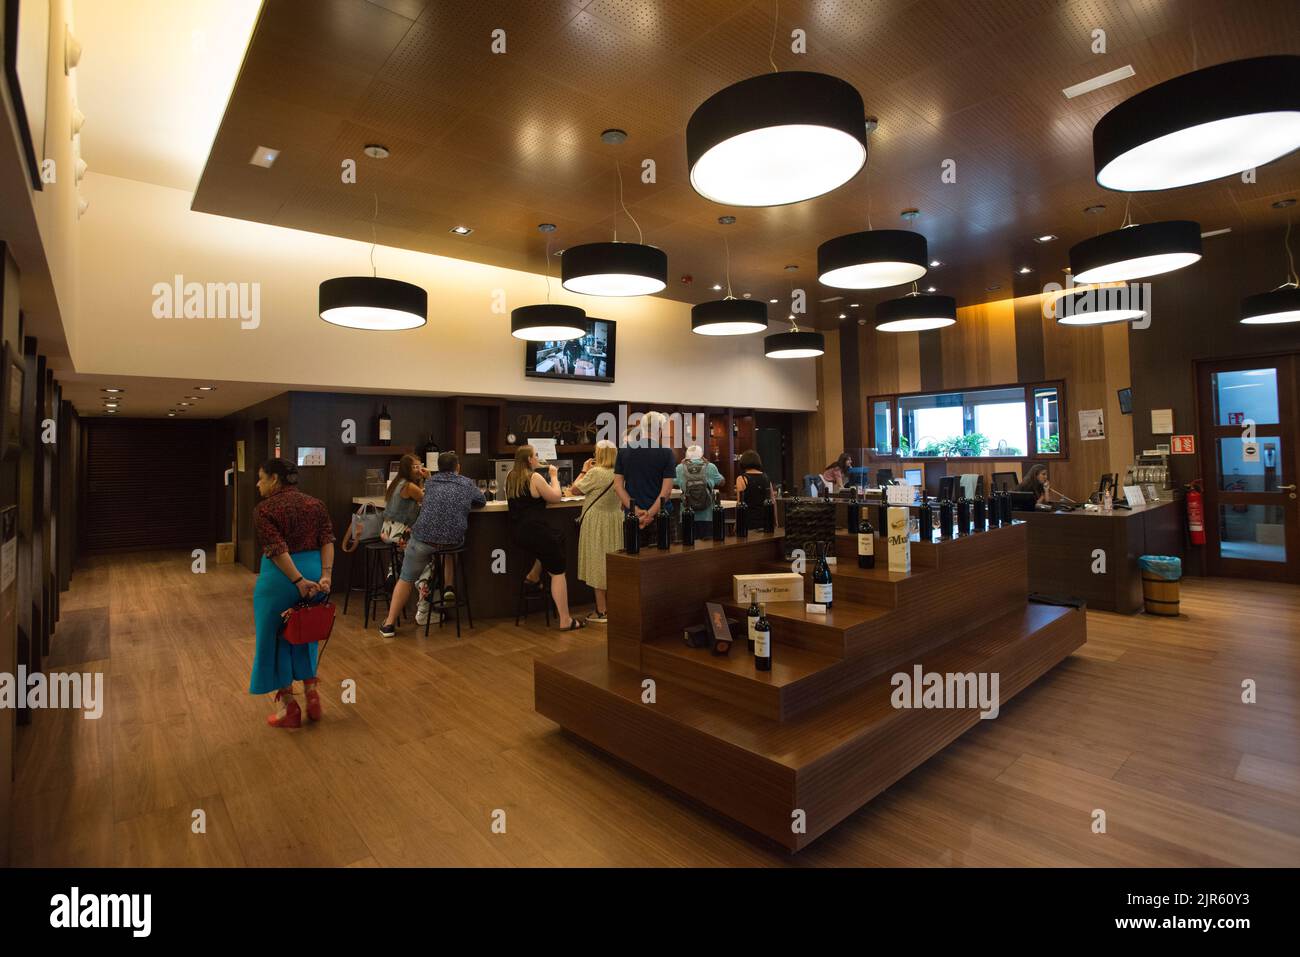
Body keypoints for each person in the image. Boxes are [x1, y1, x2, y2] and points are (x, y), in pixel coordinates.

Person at [250, 458, 334, 729]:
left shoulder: (264, 509)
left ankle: (290, 708)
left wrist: (297, 580)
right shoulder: (315, 504)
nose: (258, 483)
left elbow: (276, 549)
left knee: (274, 638)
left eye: (261, 477)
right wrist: (326, 575)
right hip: (314, 570)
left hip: (281, 577)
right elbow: (328, 541)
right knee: (304, 632)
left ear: (275, 479)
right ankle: (312, 695)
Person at [379, 451, 484, 638]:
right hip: (452, 541)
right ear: (458, 467)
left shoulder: (430, 483)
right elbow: (481, 500)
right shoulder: (466, 483)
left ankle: (388, 624)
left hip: (422, 539)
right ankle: (448, 588)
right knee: (449, 549)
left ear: (438, 467)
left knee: (406, 578)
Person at [507, 445, 585, 630]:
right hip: (536, 532)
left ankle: (533, 574)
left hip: (519, 533)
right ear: (529, 460)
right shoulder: (534, 477)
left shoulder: (511, 477)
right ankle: (566, 620)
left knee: (557, 538)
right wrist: (554, 477)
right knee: (558, 572)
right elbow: (556, 496)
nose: (537, 458)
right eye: (535, 455)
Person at [570, 439, 621, 623]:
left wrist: (584, 470)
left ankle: (602, 611)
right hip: (615, 519)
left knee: (597, 563)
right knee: (614, 564)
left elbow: (574, 490)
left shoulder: (595, 473)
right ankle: (616, 607)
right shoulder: (620, 472)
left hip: (597, 521)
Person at [614, 410, 676, 546]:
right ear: (659, 429)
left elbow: (618, 486)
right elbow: (666, 492)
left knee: (633, 562)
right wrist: (649, 515)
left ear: (641, 428)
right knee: (664, 562)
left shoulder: (623, 451)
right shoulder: (666, 453)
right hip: (661, 516)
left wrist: (635, 511)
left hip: (632, 518)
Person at [676, 444, 723, 539]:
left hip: (687, 514)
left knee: (687, 547)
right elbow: (722, 482)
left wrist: (681, 466)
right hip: (708, 516)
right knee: (707, 547)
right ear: (702, 455)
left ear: (686, 456)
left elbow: (671, 481)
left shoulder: (680, 468)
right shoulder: (710, 466)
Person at [381, 453, 426, 549]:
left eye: (420, 466)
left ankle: (398, 563)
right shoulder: (409, 486)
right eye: (415, 467)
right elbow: (430, 500)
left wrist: (420, 479)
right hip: (400, 533)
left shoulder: (397, 482)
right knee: (433, 542)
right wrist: (429, 477)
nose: (420, 470)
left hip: (387, 531)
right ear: (407, 469)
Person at [734, 449, 773, 530]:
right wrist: (775, 521)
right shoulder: (766, 478)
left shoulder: (741, 479)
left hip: (748, 521)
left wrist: (737, 523)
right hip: (765, 520)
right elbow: (773, 501)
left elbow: (739, 503)